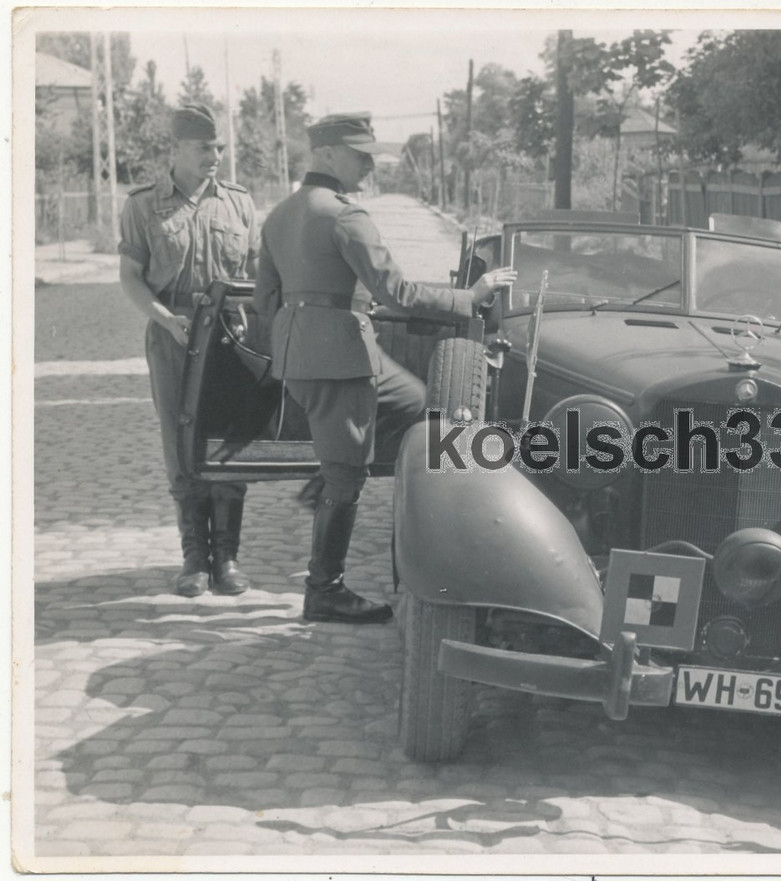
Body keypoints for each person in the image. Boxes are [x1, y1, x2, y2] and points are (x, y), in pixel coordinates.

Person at [253, 112, 516, 625]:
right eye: (360, 155)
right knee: (348, 476)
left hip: (300, 354)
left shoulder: (279, 214)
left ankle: (325, 483)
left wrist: (319, 310)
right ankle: (323, 590)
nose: (370, 166)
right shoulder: (346, 217)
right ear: (326, 155)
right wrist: (472, 296)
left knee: (418, 401)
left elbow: (265, 300)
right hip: (340, 357)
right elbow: (395, 292)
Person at [119, 103, 257, 598]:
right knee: (182, 445)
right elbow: (131, 279)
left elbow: (258, 277)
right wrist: (165, 320)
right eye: (203, 147)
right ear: (175, 149)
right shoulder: (143, 205)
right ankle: (194, 559)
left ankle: (228, 558)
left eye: (218, 146)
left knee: (230, 442)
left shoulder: (239, 203)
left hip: (229, 335)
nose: (214, 155)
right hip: (173, 333)